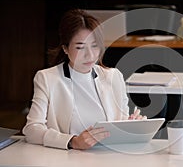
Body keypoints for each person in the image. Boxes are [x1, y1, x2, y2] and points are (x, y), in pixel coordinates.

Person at [22, 9, 145, 150]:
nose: (90, 55)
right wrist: (72, 141)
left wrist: (131, 125)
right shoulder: (47, 78)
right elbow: (31, 130)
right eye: (80, 47)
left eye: (94, 46)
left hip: (109, 156)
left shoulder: (113, 76)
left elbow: (119, 125)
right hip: (65, 158)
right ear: (65, 49)